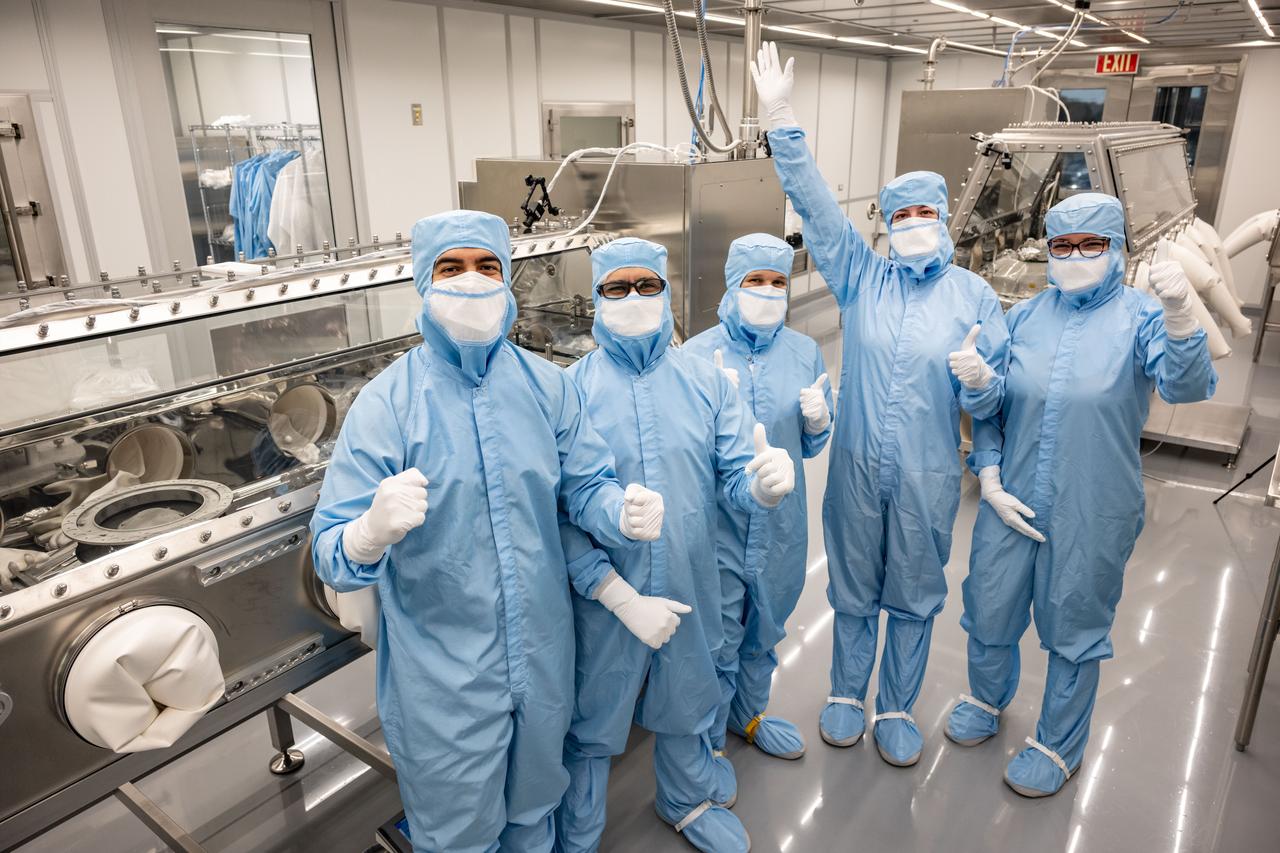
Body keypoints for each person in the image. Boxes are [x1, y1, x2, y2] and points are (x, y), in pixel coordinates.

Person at [310, 210, 678, 852]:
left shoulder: (547, 387)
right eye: (451, 268)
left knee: (534, 811)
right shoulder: (388, 405)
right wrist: (367, 533)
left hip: (542, 653)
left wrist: (619, 510)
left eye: (487, 267)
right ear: (424, 283)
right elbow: (332, 554)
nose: (471, 282)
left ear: (508, 278)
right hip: (444, 676)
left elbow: (583, 488)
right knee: (457, 835)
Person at [750, 41, 1010, 766]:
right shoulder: (862, 277)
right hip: (858, 471)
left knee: (916, 592)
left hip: (929, 477)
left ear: (945, 217)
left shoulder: (974, 297)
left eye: (926, 211)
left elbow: (993, 401)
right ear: (885, 225)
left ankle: (896, 705)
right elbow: (817, 208)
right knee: (856, 583)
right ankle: (845, 692)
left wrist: (981, 382)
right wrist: (781, 120)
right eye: (901, 214)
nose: (914, 223)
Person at [945, 194, 1217, 797]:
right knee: (989, 608)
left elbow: (1186, 384)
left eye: (1090, 244)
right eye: (1062, 245)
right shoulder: (1023, 319)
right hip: (1010, 497)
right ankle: (987, 701)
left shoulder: (1142, 317)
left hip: (1092, 506)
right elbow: (993, 414)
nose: (1074, 256)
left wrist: (1180, 317)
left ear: (1117, 248)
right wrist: (986, 466)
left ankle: (1058, 743)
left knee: (1074, 624)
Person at [555, 237, 797, 853]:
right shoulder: (569, 391)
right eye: (617, 287)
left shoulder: (705, 381)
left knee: (690, 692)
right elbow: (558, 509)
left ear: (668, 294)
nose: (633, 298)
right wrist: (609, 586)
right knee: (593, 708)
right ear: (595, 298)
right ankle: (579, 829)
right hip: (603, 591)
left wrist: (763, 487)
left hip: (689, 575)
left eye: (648, 285)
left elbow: (735, 477)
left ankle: (684, 800)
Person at [684, 233, 833, 763]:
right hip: (718, 526)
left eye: (777, 281)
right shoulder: (696, 354)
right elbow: (678, 455)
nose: (768, 291)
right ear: (732, 284)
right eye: (755, 281)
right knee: (715, 638)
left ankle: (747, 714)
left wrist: (819, 421)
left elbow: (811, 445)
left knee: (763, 629)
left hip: (779, 525)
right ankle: (704, 745)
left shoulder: (804, 350)